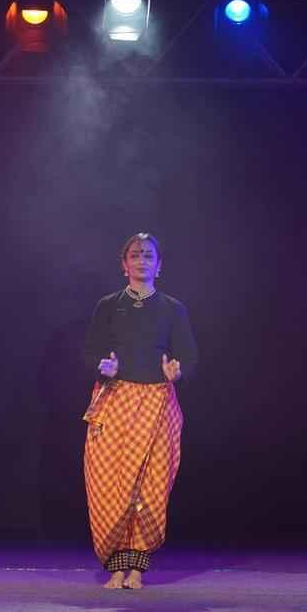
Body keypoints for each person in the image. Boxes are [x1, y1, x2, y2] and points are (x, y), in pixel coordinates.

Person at [82, 233, 198, 590]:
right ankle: (116, 566)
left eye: (149, 255)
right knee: (107, 484)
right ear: (124, 264)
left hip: (157, 402)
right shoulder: (107, 305)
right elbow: (90, 352)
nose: (141, 260)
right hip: (115, 400)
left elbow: (188, 356)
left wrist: (177, 372)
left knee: (149, 487)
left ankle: (137, 568)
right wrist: (103, 367)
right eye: (135, 255)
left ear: (159, 266)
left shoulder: (173, 309)